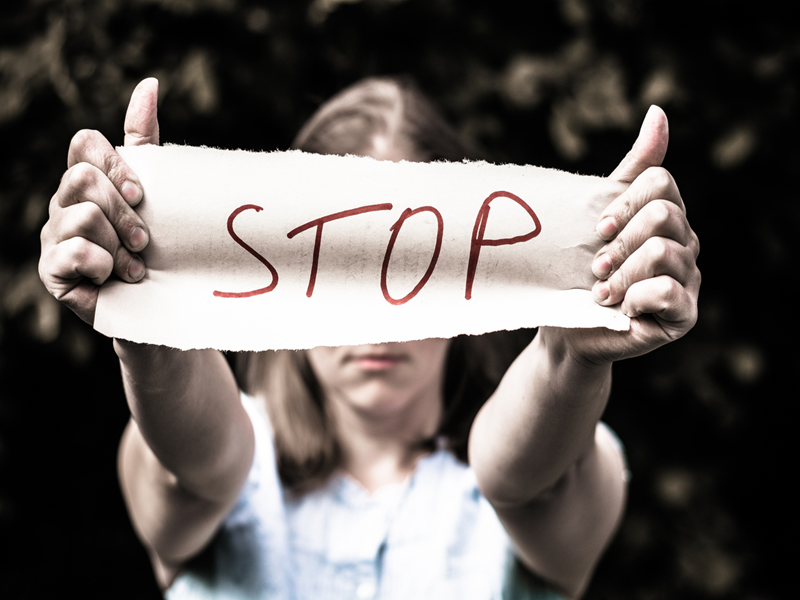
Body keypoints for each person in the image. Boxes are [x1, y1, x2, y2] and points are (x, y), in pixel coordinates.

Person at [38, 77, 700, 599]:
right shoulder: (220, 453)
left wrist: (569, 354)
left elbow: (523, 480)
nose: (381, 316)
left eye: (413, 265)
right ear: (279, 274)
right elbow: (204, 466)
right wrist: (147, 319)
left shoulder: (553, 455)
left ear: (477, 271)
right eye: (341, 267)